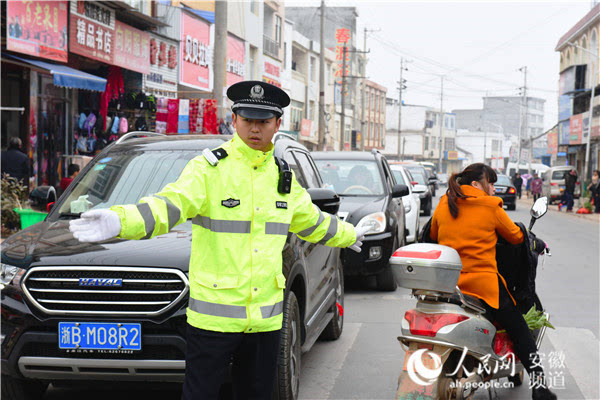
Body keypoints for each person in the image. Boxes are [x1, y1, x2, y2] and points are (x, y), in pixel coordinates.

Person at [69, 80, 367, 400]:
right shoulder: (209, 169)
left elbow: (311, 221)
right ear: (234, 120)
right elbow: (170, 205)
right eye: (248, 120)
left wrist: (347, 233)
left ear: (277, 125)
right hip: (213, 321)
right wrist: (120, 220)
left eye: (263, 121)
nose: (255, 129)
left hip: (265, 322)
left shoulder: (282, 179)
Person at [429, 163, 556, 400]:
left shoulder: (445, 203)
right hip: (483, 287)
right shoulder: (490, 206)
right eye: (491, 183)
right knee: (520, 331)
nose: (493, 189)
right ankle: (540, 387)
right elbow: (517, 236)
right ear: (476, 184)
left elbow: (434, 234)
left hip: (449, 287)